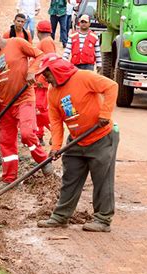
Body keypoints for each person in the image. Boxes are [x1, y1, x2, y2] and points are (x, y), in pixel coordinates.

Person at [35, 54, 119, 232]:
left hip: (101, 137)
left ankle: (103, 220)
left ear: (56, 70)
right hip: (76, 141)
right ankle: (60, 216)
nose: (45, 78)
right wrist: (56, 147)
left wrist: (105, 114)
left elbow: (112, 86)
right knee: (70, 178)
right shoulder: (53, 92)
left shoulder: (83, 77)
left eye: (47, 74)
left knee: (102, 180)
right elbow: (56, 121)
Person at [0, 25, 53, 184]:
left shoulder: (17, 43)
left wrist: (32, 71)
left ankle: (43, 160)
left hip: (24, 99)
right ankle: (9, 178)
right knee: (6, 142)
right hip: (5, 106)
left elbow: (40, 56)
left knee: (27, 133)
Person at [34, 21, 56, 145]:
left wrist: (42, 79)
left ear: (38, 31)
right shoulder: (48, 41)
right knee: (37, 110)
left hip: (41, 81)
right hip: (39, 81)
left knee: (40, 109)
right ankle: (39, 136)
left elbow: (49, 61)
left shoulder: (46, 42)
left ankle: (55, 130)